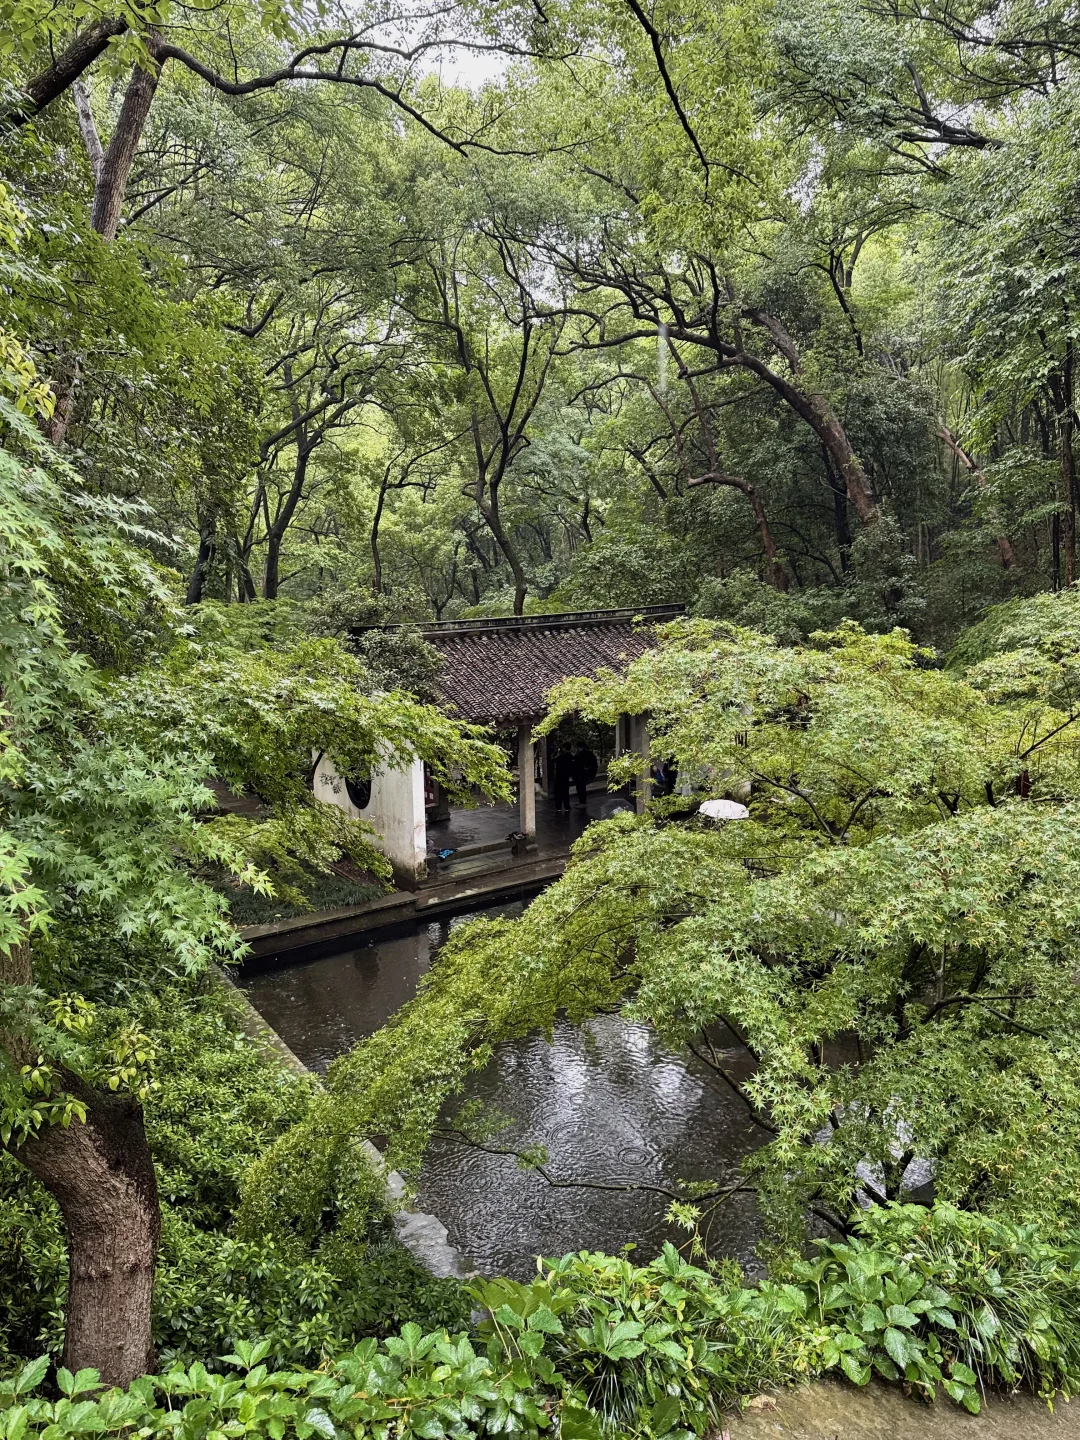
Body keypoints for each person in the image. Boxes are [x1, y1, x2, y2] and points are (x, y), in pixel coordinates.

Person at [573, 741, 598, 807]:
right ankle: (581, 801)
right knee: (580, 788)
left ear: (581, 747)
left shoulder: (586, 754)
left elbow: (591, 764)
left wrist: (587, 768)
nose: (577, 749)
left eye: (578, 747)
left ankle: (582, 802)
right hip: (580, 774)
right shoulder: (581, 754)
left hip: (582, 775)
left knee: (581, 788)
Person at [552, 743, 575, 813]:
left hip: (559, 776)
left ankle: (558, 806)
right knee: (565, 792)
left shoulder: (560, 756)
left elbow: (553, 760)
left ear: (564, 748)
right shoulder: (571, 756)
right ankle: (567, 806)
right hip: (566, 777)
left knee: (558, 792)